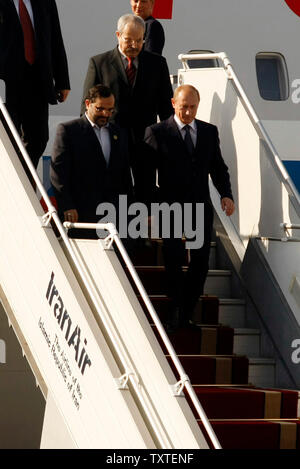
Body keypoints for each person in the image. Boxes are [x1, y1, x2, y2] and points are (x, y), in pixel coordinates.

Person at [140, 85, 235, 331]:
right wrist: (148, 208)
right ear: (173, 103)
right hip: (169, 206)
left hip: (200, 205)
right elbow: (146, 174)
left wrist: (226, 195)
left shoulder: (208, 132)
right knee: (174, 258)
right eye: (184, 107)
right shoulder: (157, 132)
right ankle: (176, 311)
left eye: (193, 107)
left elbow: (218, 167)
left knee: (201, 261)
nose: (188, 112)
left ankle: (185, 310)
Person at [80, 13, 173, 176]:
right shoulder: (99, 63)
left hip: (146, 144)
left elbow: (166, 107)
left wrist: (170, 140)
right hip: (109, 141)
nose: (134, 45)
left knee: (145, 195)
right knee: (114, 195)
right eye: (129, 39)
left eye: (139, 40)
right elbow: (86, 106)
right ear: (118, 35)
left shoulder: (157, 64)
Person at [50, 85, 133, 239]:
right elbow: (58, 173)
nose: (106, 114)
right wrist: (67, 205)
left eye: (110, 110)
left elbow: (124, 175)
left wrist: (129, 209)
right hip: (81, 214)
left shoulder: (119, 133)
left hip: (114, 215)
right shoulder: (69, 130)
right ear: (88, 104)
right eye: (100, 109)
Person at [0, 0, 70, 169]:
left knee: (38, 138)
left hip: (37, 80)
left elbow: (55, 37)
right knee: (10, 138)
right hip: (7, 82)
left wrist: (62, 80)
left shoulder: (44, 2)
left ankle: (25, 179)